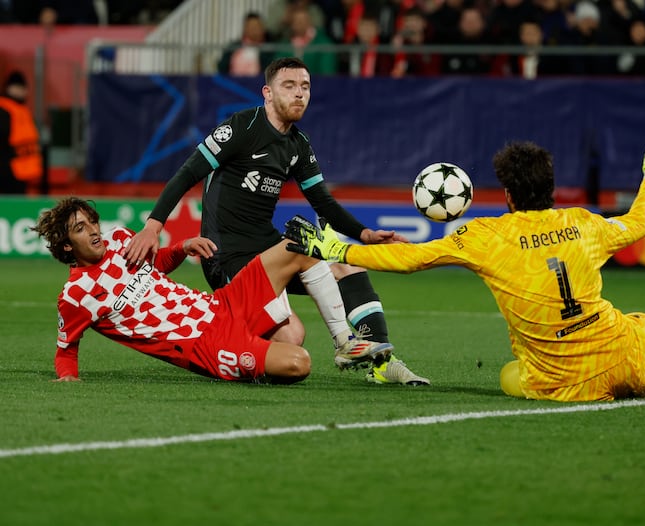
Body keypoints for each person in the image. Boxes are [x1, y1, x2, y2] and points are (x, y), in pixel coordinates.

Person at [284, 131, 645, 402]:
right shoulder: (584, 223)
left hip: (557, 381)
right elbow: (642, 222)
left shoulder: (482, 235)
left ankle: (633, 390)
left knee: (511, 375)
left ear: (505, 194)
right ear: (551, 187)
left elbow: (408, 258)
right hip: (622, 352)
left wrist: (335, 248)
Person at [124, 57, 429, 386]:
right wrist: (153, 226)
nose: (299, 94)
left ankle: (383, 364)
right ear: (267, 93)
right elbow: (187, 173)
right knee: (293, 331)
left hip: (266, 250)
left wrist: (365, 233)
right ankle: (241, 343)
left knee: (346, 266)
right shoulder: (241, 128)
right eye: (290, 86)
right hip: (227, 258)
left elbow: (322, 201)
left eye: (305, 87)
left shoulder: (298, 144)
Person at [32, 197, 396, 383]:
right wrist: (68, 380)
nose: (94, 230)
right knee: (298, 362)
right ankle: (251, 355)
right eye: (80, 228)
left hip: (221, 305)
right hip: (208, 345)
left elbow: (155, 266)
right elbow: (67, 351)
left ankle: (344, 341)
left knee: (300, 244)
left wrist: (182, 248)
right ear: (66, 246)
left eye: (92, 221)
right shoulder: (76, 295)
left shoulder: (120, 241)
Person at [0, 71, 43, 195]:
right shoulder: (4, 110)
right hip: (7, 172)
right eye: (16, 87)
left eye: (22, 88)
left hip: (21, 172)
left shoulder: (22, 110)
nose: (20, 91)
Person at [217, 11, 274, 76]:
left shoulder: (269, 49)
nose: (254, 30)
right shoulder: (234, 47)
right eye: (251, 27)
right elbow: (222, 68)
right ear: (245, 28)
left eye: (257, 26)